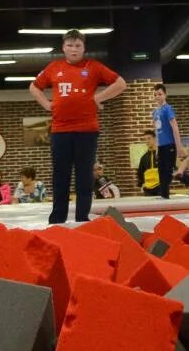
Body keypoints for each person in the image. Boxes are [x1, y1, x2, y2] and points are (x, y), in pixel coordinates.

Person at [31, 29, 127, 224]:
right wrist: (46, 104)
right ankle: (57, 218)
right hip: (60, 130)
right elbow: (34, 87)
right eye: (70, 45)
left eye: (77, 45)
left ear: (83, 48)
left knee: (84, 175)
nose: (74, 49)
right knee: (61, 175)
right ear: (63, 47)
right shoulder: (54, 67)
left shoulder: (93, 66)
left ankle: (82, 217)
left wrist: (98, 98)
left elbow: (120, 83)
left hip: (87, 130)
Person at [151, 83, 185, 200]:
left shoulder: (168, 109)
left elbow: (175, 127)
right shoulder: (155, 112)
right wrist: (156, 148)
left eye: (160, 94)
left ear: (165, 95)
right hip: (161, 146)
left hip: (170, 144)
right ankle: (164, 194)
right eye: (155, 95)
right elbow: (156, 131)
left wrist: (179, 146)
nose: (157, 97)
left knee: (168, 170)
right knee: (161, 170)